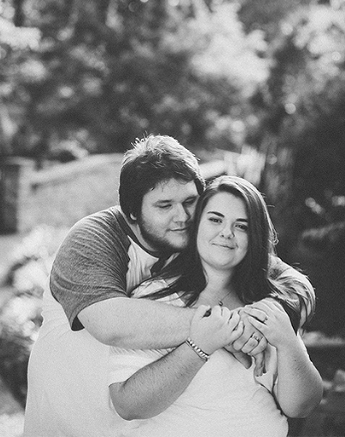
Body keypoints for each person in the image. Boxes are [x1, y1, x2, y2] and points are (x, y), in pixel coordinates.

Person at [23, 135, 314, 437]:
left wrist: (272, 319)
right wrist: (227, 327)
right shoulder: (94, 238)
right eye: (165, 206)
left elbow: (291, 282)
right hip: (68, 420)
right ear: (132, 211)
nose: (183, 216)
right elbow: (110, 324)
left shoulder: (191, 240)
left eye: (190, 201)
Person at [108, 175, 323, 436]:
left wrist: (288, 342)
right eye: (215, 219)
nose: (226, 233)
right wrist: (199, 346)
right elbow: (128, 405)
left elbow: (301, 406)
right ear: (196, 225)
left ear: (254, 236)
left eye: (241, 226)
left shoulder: (268, 303)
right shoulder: (155, 297)